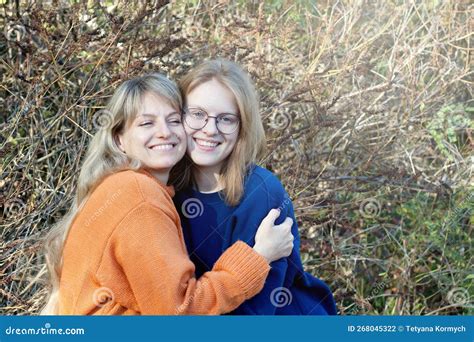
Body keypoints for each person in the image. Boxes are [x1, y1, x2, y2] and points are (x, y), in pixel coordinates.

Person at [41, 73, 294, 315]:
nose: (164, 132)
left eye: (174, 120)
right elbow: (179, 312)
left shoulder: (123, 186)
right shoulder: (140, 196)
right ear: (119, 139)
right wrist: (258, 258)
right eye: (147, 123)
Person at [173, 59, 337, 315]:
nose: (210, 129)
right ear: (178, 116)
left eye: (226, 119)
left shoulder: (262, 194)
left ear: (242, 127)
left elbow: (254, 313)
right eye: (197, 114)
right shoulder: (165, 187)